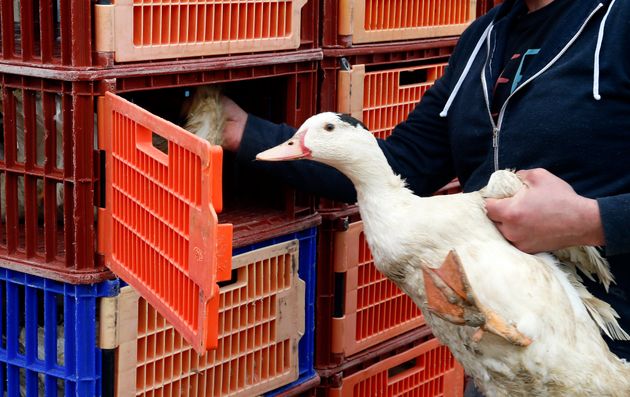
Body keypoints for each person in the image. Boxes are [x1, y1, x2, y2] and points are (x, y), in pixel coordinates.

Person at [220, 0, 630, 393]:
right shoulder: (484, 38)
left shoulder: (620, 21)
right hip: (508, 362)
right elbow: (400, 167)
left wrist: (591, 219)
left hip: (612, 350)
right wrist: (244, 132)